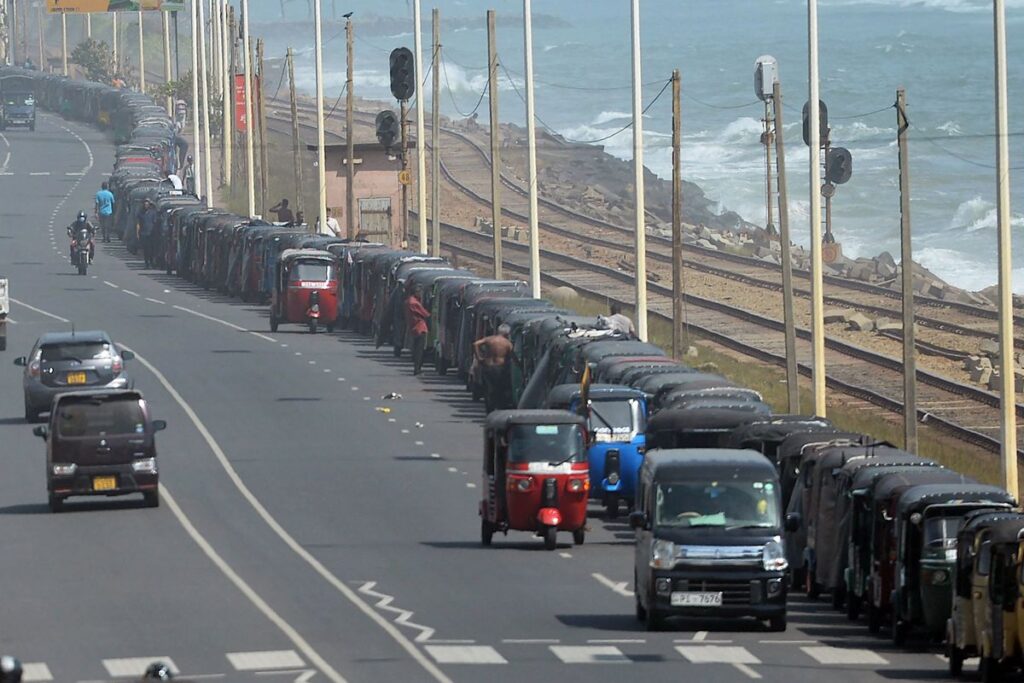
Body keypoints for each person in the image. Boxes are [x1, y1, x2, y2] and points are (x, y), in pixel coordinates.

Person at [473, 323, 514, 412]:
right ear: (507, 333)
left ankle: (489, 408)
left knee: (488, 389)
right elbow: (512, 356)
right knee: (499, 389)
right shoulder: (507, 343)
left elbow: (476, 344)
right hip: (500, 368)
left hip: (488, 366)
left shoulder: (490, 339)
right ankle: (498, 407)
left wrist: (479, 357)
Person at [405, 284, 430, 375]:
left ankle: (417, 367)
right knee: (419, 350)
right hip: (419, 327)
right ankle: (417, 369)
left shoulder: (408, 301)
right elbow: (425, 314)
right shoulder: (414, 303)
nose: (420, 294)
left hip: (413, 327)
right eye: (419, 292)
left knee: (416, 349)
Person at [137, 198, 158, 268]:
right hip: (143, 233)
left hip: (151, 234)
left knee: (151, 249)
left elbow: (155, 222)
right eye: (145, 204)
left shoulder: (153, 212)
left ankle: (152, 262)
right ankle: (147, 263)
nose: (146, 205)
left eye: (147, 204)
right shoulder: (141, 213)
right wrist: (138, 232)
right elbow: (138, 223)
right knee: (145, 250)